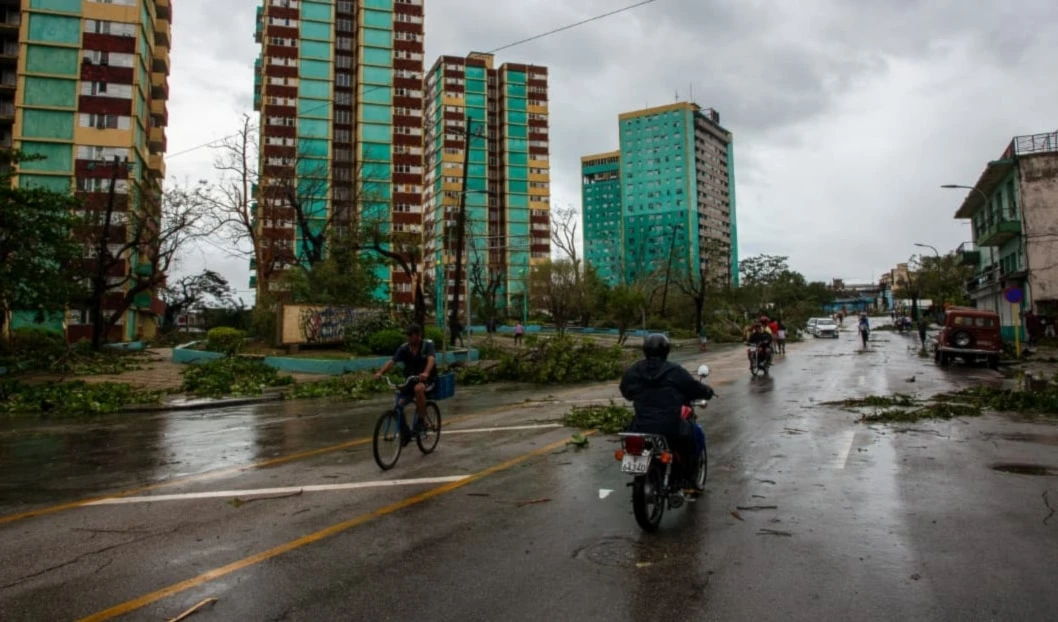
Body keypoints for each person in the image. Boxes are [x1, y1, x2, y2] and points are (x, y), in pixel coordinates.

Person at [619, 334, 714, 492]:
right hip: (670, 427)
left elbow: (625, 391)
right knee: (694, 435)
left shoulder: (633, 371)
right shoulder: (674, 371)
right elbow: (694, 388)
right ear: (666, 350)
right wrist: (708, 391)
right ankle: (689, 480)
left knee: (633, 436)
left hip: (640, 426)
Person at [374, 324, 437, 444]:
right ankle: (405, 432)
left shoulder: (427, 345)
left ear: (418, 335)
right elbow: (392, 362)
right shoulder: (404, 348)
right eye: (407, 335)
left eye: (410, 335)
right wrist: (380, 373)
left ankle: (422, 421)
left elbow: (431, 359)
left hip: (427, 380)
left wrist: (426, 372)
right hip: (410, 380)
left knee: (419, 389)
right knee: (399, 405)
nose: (408, 337)